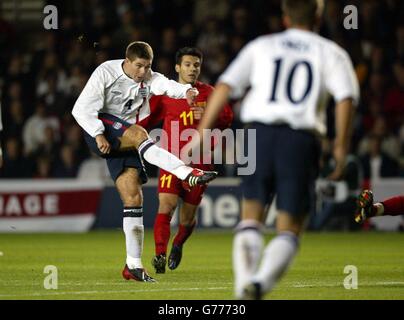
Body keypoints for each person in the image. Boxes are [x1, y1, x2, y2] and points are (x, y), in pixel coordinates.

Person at [191, 0, 359, 299]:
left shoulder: (262, 46)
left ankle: (243, 285)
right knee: (290, 226)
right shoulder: (331, 53)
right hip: (300, 139)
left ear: (284, 17)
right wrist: (341, 145)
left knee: (251, 215)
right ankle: (261, 284)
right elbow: (346, 98)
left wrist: (202, 133)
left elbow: (225, 87)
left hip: (257, 134)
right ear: (318, 16)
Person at [72, 41, 218, 283]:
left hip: (123, 136)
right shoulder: (106, 72)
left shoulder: (149, 77)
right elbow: (81, 109)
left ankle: (133, 266)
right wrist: (98, 133)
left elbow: (164, 84)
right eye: (139, 66)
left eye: (147, 66)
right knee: (141, 134)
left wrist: (186, 91)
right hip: (99, 127)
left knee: (133, 196)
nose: (143, 72)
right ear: (127, 61)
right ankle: (185, 172)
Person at [146, 47, 233, 274]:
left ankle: (178, 244)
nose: (192, 69)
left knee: (187, 219)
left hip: (200, 162)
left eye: (196, 65)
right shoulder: (166, 94)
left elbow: (227, 119)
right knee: (166, 205)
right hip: (171, 161)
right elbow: (147, 119)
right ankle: (159, 254)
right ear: (177, 67)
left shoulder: (210, 93)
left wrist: (207, 122)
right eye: (187, 64)